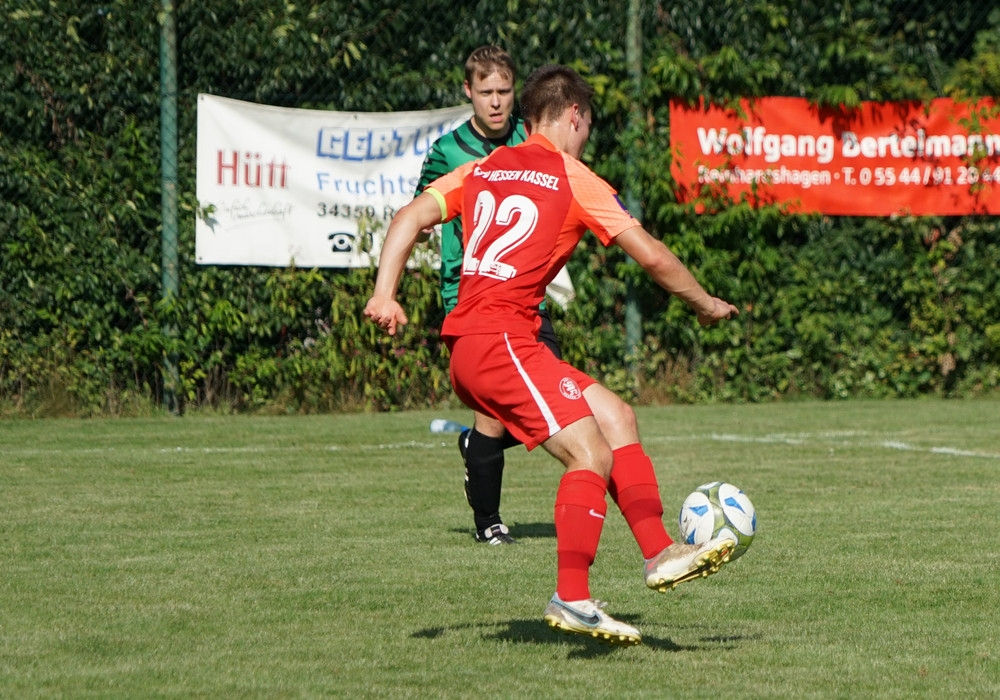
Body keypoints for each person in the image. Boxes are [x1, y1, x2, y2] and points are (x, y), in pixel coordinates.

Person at [365, 64, 739, 646]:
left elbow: (409, 217)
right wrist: (705, 303)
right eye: (587, 126)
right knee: (589, 453)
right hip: (500, 341)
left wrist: (385, 294)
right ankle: (573, 597)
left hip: (483, 342)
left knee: (616, 417)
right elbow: (651, 255)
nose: (586, 136)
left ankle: (659, 552)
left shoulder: (483, 167)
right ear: (574, 116)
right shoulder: (574, 177)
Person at [416, 45, 559, 546]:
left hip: (526, 293)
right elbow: (421, 211)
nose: (496, 102)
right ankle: (489, 523)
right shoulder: (447, 151)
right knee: (493, 410)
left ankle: (474, 447)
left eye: (504, 91)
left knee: (544, 399)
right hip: (468, 293)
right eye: (486, 92)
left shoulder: (532, 137)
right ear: (468, 91)